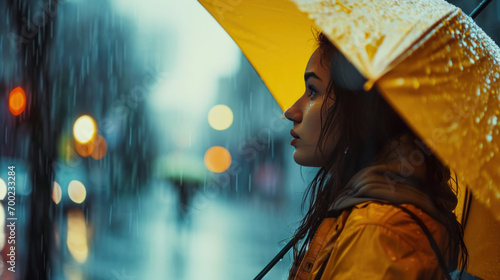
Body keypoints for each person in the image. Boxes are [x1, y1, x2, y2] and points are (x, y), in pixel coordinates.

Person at [283, 32, 468, 279]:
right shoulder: (367, 214)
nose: (291, 111)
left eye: (313, 91)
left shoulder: (379, 232)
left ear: (364, 108)